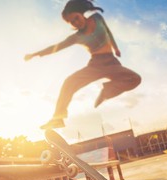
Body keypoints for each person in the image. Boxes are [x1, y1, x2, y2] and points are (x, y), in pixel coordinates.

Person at [25, 0, 141, 129]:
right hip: (95, 65)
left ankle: (107, 91)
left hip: (112, 63)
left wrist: (116, 48)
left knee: (135, 79)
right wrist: (35, 54)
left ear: (82, 13)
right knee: (69, 83)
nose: (76, 22)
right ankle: (58, 118)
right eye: (72, 22)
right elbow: (56, 47)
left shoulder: (97, 18)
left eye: (76, 18)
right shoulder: (76, 37)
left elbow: (108, 32)